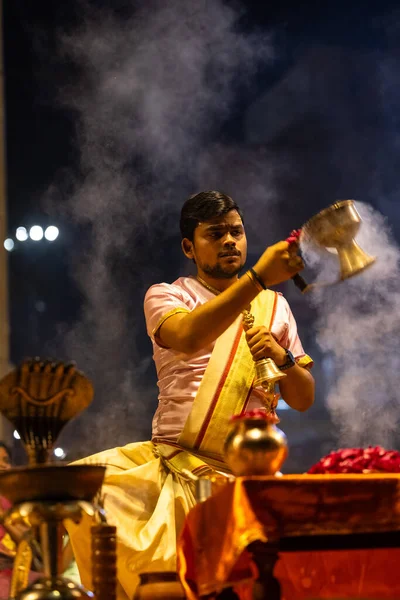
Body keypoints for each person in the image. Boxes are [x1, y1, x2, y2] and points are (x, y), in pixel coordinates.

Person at [66, 191, 314, 600]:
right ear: (189, 247)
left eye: (236, 232)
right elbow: (188, 336)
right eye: (215, 234)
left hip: (253, 482)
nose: (230, 241)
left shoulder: (276, 307)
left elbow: (303, 398)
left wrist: (283, 358)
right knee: (171, 590)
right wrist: (257, 280)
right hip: (182, 471)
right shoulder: (167, 295)